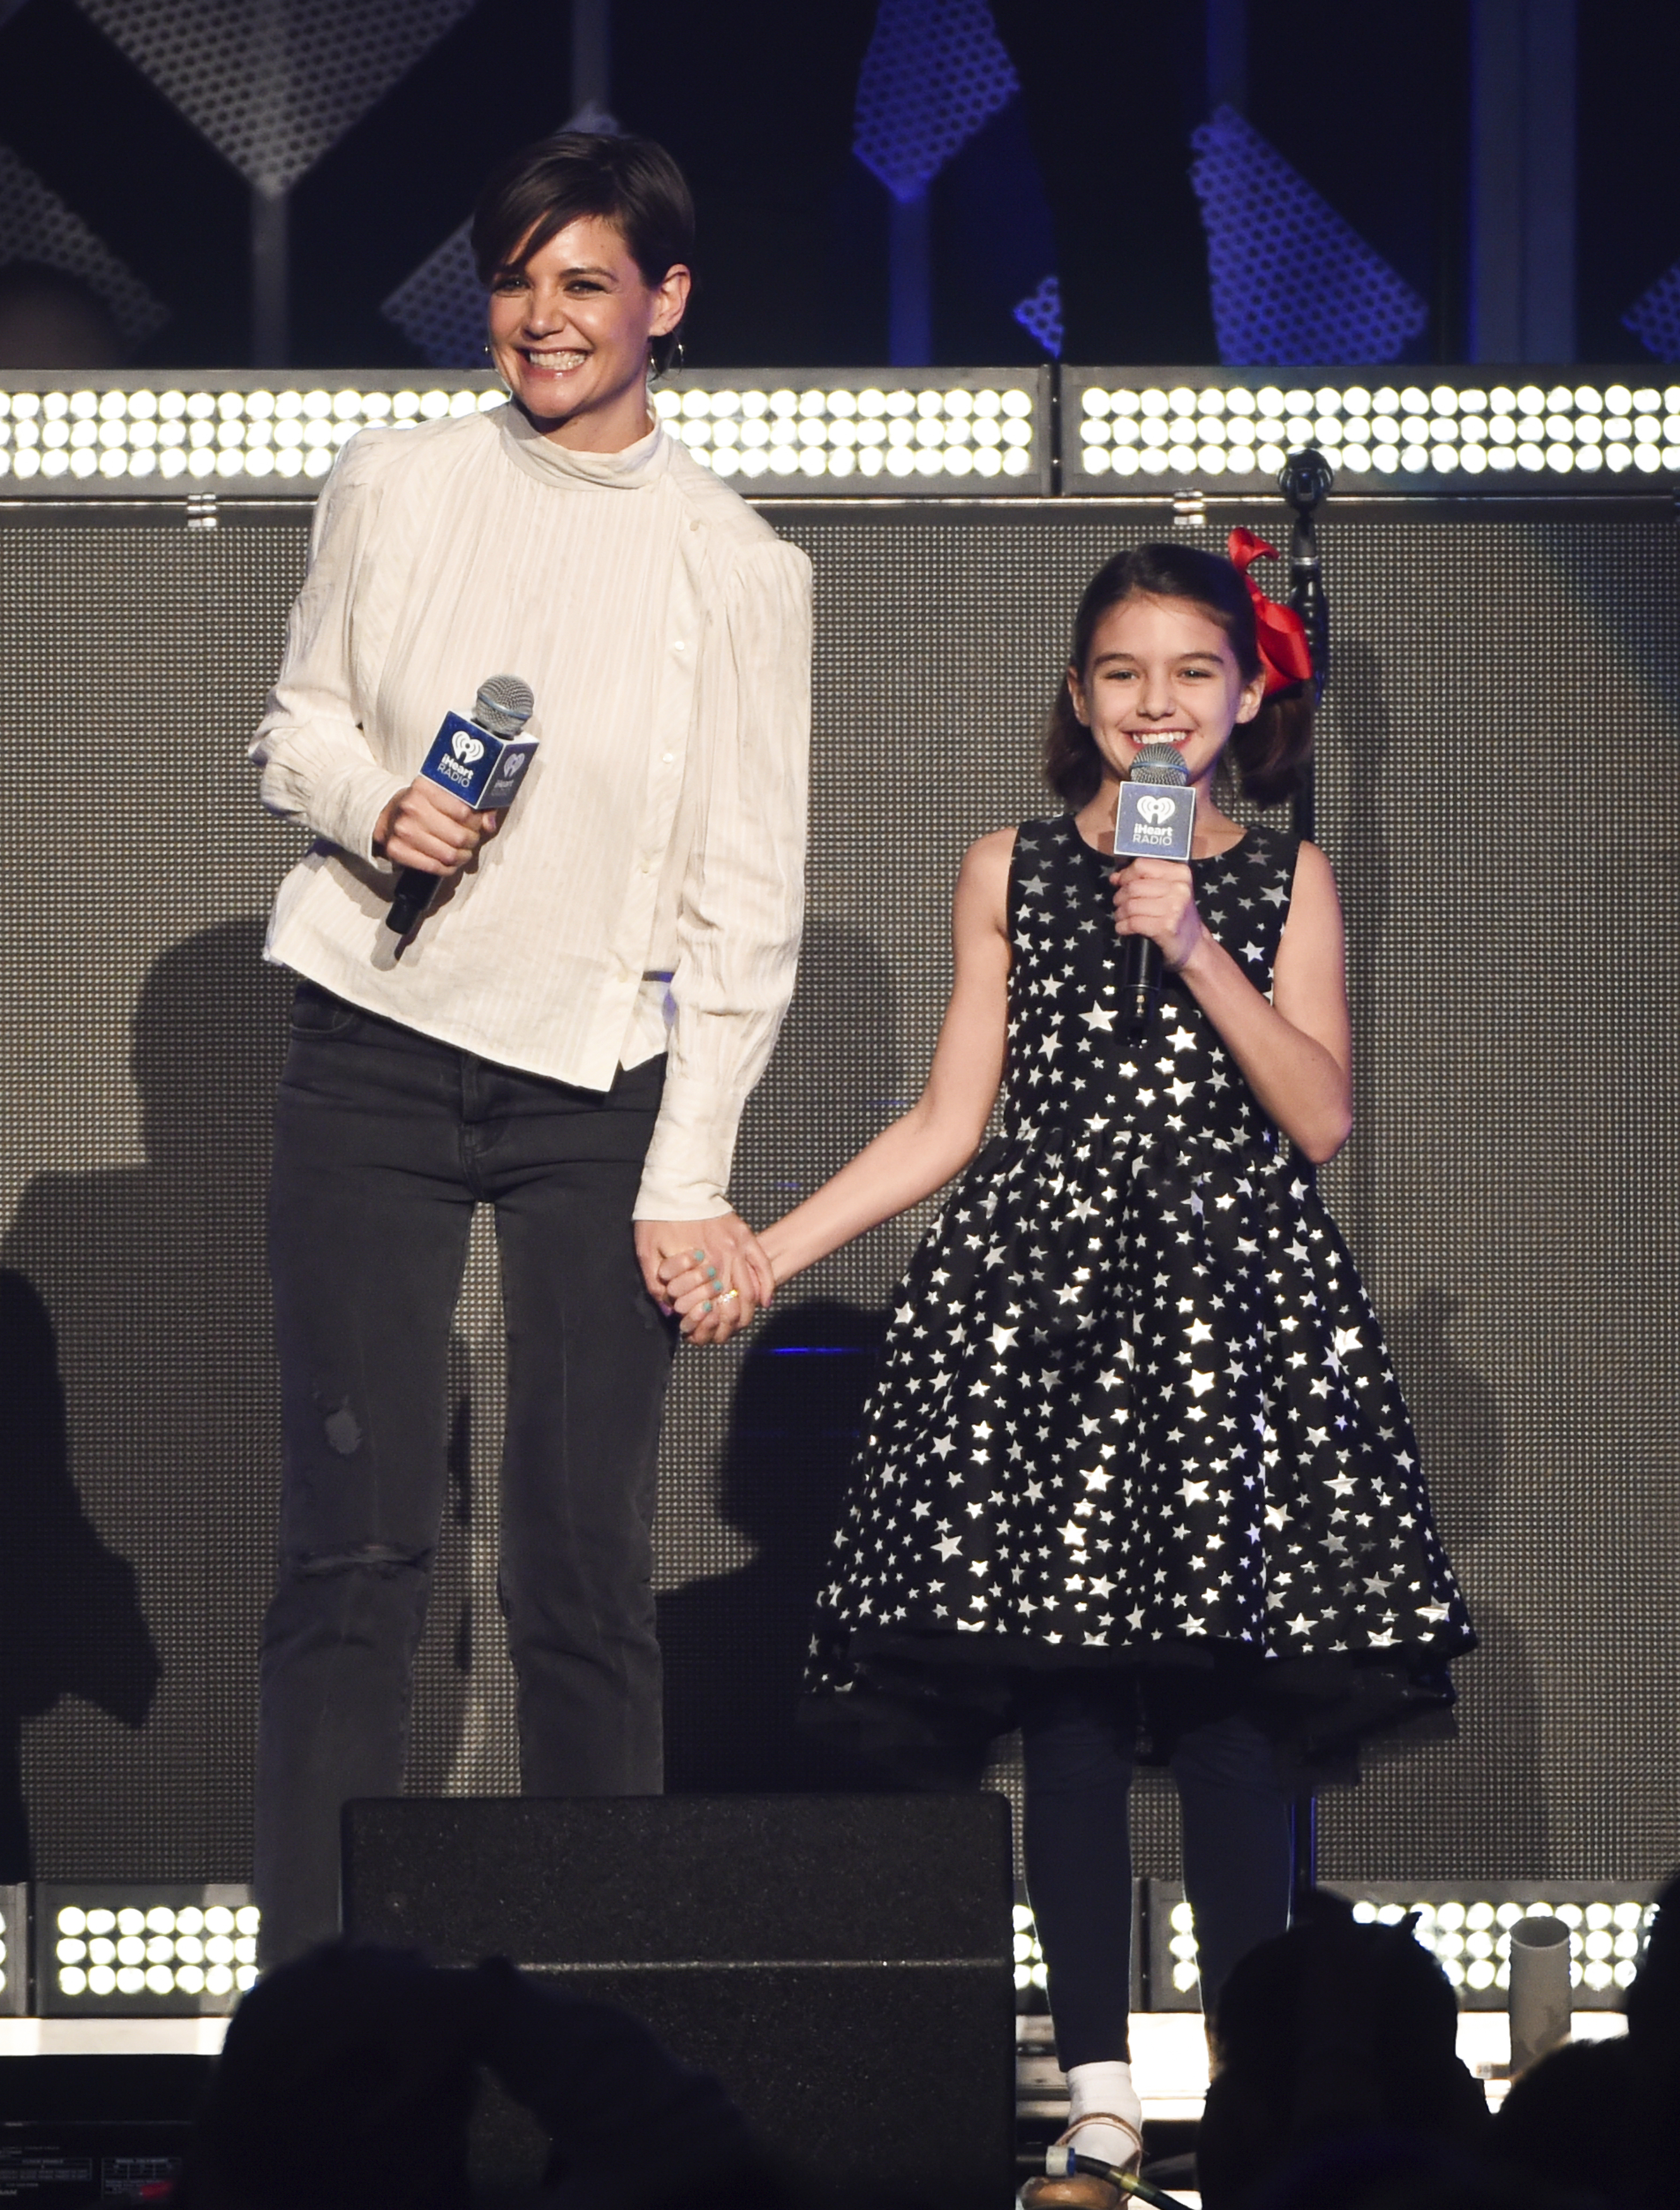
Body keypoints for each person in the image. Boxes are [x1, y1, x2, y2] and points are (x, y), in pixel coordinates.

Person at [664, 537, 1473, 2200]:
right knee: (1076, 1715)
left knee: (1238, 1719)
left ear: (1246, 696)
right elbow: (949, 1122)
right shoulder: (1010, 871)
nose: (1154, 703)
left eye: (1191, 671)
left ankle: (1268, 2095)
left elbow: (1315, 1115)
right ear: (1079, 694)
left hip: (1226, 1329)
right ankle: (1098, 2095)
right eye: (1121, 672)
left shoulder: (1279, 879)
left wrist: (1187, 944)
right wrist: (766, 1246)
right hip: (1040, 1327)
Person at [248, 131, 810, 1965]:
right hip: (375, 1036)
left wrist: (687, 1171)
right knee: (353, 1543)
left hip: (599, 1080)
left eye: (584, 282)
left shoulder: (736, 563)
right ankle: (315, 1996)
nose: (542, 317)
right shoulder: (395, 482)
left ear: (667, 302)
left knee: (577, 1562)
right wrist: (370, 802)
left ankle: (597, 1990)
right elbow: (292, 729)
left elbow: (747, 899)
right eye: (515, 279)